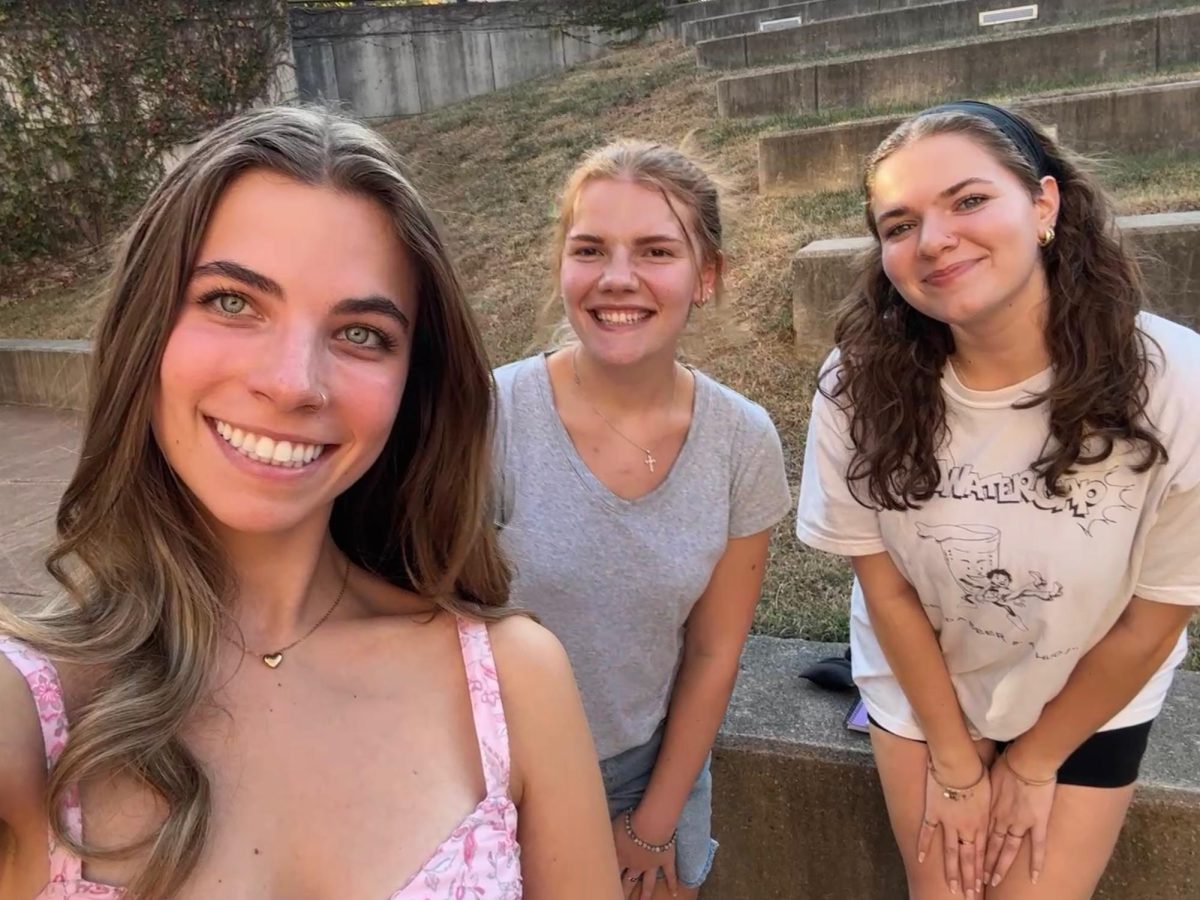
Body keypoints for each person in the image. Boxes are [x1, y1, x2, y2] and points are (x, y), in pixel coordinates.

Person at [0, 105, 621, 900]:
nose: (294, 382)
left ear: (413, 386)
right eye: (232, 302)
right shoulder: (33, 714)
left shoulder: (512, 685)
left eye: (362, 333)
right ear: (145, 329)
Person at [795, 100, 1199, 899]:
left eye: (969, 200)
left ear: (1044, 204)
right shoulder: (855, 385)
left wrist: (1037, 759)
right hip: (925, 688)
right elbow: (886, 588)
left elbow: (1157, 610)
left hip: (1090, 691)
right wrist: (954, 761)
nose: (935, 241)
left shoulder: (1177, 381)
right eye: (899, 224)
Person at [492, 139, 792, 899]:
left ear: (707, 277)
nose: (616, 279)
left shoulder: (742, 439)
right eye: (589, 249)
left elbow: (713, 651)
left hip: (646, 776)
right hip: (492, 778)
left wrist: (653, 820)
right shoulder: (483, 417)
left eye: (656, 250)